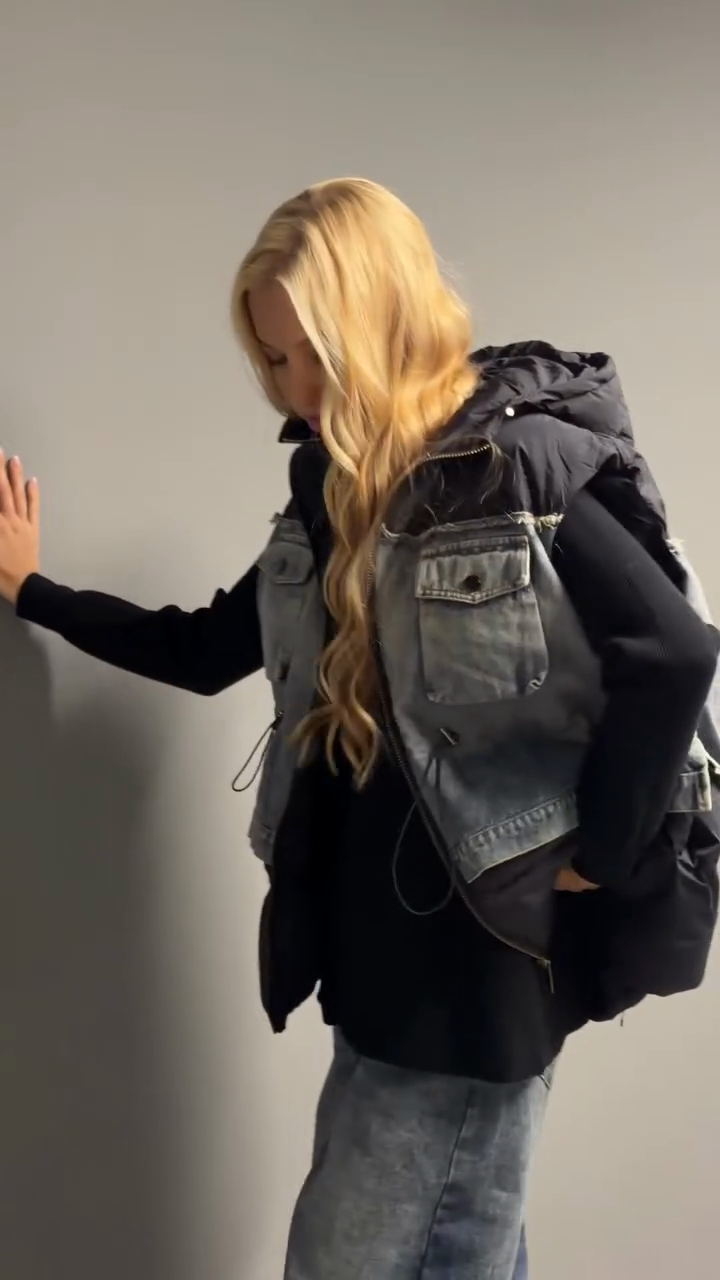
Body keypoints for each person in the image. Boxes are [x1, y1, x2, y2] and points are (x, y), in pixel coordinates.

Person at [1, 177, 718, 1280]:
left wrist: (605, 852)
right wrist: (33, 591)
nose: (295, 385)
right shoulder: (332, 494)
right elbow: (208, 647)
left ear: (381, 318)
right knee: (463, 1254)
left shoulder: (513, 470)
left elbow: (673, 652)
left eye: (312, 352)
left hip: (471, 980)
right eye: (274, 357)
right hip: (380, 964)